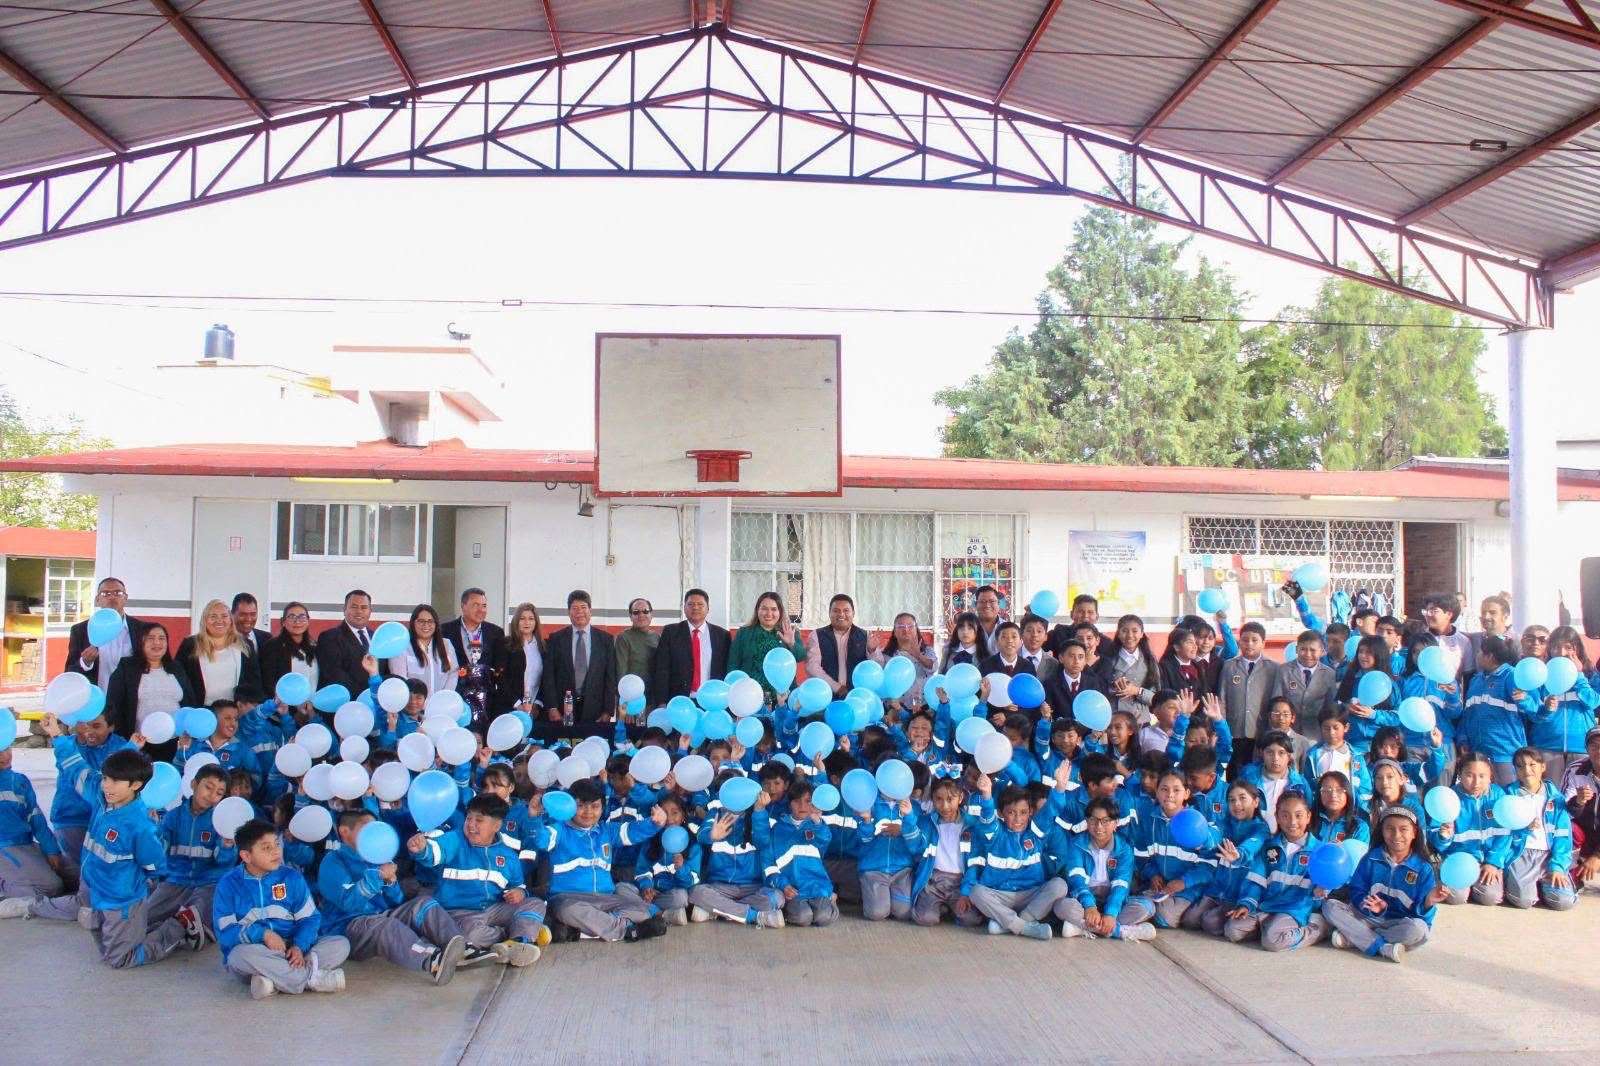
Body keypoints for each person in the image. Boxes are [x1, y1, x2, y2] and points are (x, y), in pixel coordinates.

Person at [19, 717, 209, 964]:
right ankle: (139, 927)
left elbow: (155, 865)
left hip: (122, 899)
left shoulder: (140, 825)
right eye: (106, 778)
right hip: (95, 889)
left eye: (115, 782)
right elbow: (76, 767)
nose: (107, 786)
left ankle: (180, 927)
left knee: (121, 958)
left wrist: (136, 887)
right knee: (104, 946)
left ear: (136, 785)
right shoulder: (100, 795)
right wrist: (56, 734)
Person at [318, 809, 466, 984]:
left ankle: (460, 948)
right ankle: (433, 960)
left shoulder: (376, 857)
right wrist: (379, 877)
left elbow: (397, 901)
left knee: (423, 904)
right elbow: (348, 902)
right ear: (345, 832)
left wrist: (391, 883)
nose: (375, 833)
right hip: (349, 926)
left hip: (382, 915)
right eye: (367, 828)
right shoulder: (332, 861)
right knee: (386, 926)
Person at [214, 819, 349, 997]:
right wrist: (264, 934)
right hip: (257, 952)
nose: (276, 851)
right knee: (238, 956)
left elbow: (309, 919)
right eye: (266, 848)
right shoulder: (228, 884)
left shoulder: (291, 877)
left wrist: (299, 947)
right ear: (246, 856)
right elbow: (225, 932)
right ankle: (310, 978)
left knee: (341, 944)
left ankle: (273, 980)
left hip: (293, 950)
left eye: (277, 844)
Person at [409, 794, 547, 964]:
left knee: (535, 904)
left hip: (494, 909)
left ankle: (518, 942)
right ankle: (515, 935)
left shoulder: (508, 856)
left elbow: (519, 886)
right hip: (460, 913)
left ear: (496, 825)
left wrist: (519, 892)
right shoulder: (455, 840)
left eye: (479, 820)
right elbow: (435, 851)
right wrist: (423, 849)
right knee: (470, 937)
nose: (471, 825)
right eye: (469, 818)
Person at [531, 778, 667, 941]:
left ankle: (580, 931)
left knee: (641, 910)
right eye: (581, 806)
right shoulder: (559, 830)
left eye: (595, 806)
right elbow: (541, 840)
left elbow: (632, 831)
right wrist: (534, 818)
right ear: (569, 807)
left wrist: (655, 823)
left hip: (606, 898)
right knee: (567, 910)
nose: (588, 812)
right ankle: (628, 931)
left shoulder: (606, 831)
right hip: (568, 898)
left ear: (603, 808)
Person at [1323, 806, 1446, 962]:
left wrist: (1428, 902)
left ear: (1414, 832)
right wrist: (1371, 906)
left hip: (1399, 923)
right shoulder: (1370, 858)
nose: (1396, 835)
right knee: (1329, 907)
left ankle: (1356, 938)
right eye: (1389, 828)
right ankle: (1382, 947)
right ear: (1382, 831)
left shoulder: (1423, 868)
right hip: (1368, 918)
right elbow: (1356, 890)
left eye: (1403, 829)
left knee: (1418, 930)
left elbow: (1423, 919)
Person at [1223, 791, 1327, 951]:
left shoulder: (1320, 851)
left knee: (1272, 942)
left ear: (1308, 817)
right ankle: (1270, 929)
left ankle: (1316, 929)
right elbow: (1256, 880)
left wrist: (1320, 892)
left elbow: (1324, 885)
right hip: (1268, 906)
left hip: (1295, 909)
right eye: (1285, 815)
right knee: (1232, 930)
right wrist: (1247, 904)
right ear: (1277, 817)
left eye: (1298, 815)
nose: (1292, 822)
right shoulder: (1269, 847)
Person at [962, 784, 1068, 940]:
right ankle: (1025, 928)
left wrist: (1059, 788)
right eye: (1011, 813)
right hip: (1000, 895)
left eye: (1023, 812)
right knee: (976, 892)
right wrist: (987, 796)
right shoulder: (994, 833)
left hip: (1031, 894)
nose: (1018, 819)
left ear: (1030, 812)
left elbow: (1050, 811)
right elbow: (987, 821)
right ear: (1001, 813)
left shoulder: (1036, 832)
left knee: (1059, 885)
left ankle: (1014, 923)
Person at [1052, 795, 1156, 941]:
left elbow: (1121, 884)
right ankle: (1120, 931)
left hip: (1113, 898)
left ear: (1116, 823)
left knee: (1147, 906)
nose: (1099, 826)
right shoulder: (1076, 845)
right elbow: (1076, 880)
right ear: (1087, 821)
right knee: (1061, 906)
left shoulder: (1124, 849)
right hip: (1084, 897)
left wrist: (1111, 913)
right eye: (1093, 820)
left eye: (1105, 821)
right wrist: (1089, 906)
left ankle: (1081, 927)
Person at [1497, 748, 1578, 911]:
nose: (1526, 770)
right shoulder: (1507, 797)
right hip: (1521, 854)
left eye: (1532, 764)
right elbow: (1502, 833)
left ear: (1543, 767)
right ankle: (1526, 886)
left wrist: (1558, 866)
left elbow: (1563, 837)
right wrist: (1523, 830)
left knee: (1564, 902)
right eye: (1520, 766)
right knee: (1523, 901)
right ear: (1515, 770)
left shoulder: (1556, 799)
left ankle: (1543, 885)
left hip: (1549, 856)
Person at [910, 776, 992, 928]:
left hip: (960, 882)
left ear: (960, 798)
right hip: (933, 881)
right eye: (938, 799)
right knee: (925, 919)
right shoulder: (926, 822)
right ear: (932, 799)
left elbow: (974, 863)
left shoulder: (971, 825)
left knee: (971, 920)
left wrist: (966, 893)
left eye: (950, 799)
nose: (945, 806)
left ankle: (948, 907)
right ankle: (940, 906)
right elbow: (915, 847)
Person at [760, 778, 838, 927]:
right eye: (796, 801)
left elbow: (824, 839)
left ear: (814, 804)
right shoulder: (778, 829)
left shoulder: (817, 826)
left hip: (817, 887)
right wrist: (783, 885)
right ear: (790, 804)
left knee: (823, 918)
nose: (802, 806)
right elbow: (769, 865)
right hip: (793, 890)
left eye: (808, 801)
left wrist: (817, 822)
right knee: (803, 918)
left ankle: (831, 899)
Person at [1460, 636, 1536, 785]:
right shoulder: (1475, 680)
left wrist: (1525, 700)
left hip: (1505, 755)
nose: (1477, 655)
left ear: (1490, 656)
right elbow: (1467, 714)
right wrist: (1462, 739)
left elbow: (1535, 710)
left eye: (1480, 652)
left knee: (1507, 796)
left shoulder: (1513, 676)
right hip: (1478, 755)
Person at [105, 622, 199, 744]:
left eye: (162, 638)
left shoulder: (176, 667)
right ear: (141, 642)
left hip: (176, 741)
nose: (157, 642)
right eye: (150, 638)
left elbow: (190, 701)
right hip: (140, 742)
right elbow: (114, 704)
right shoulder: (126, 667)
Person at [0, 743, 68, 907]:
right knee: (45, 889)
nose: (5, 755)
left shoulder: (20, 781)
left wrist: (51, 850)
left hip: (25, 844)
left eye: (7, 748)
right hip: (4, 847)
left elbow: (36, 818)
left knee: (62, 881)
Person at [1530, 626, 1598, 781]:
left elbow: (1594, 702)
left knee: (1580, 793)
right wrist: (1546, 708)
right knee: (1552, 791)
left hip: (1580, 746)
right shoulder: (1542, 674)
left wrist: (1579, 675)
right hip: (1548, 745)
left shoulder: (1589, 674)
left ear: (1578, 648)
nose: (1561, 653)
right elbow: (1533, 712)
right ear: (1550, 649)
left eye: (1568, 647)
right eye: (1556, 647)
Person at [541, 591, 619, 723]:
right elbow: (549, 676)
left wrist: (608, 711)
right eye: (575, 608)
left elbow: (610, 678)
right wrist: (552, 707)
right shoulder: (556, 639)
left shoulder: (605, 640)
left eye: (583, 607)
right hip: (563, 709)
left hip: (595, 711)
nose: (579, 612)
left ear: (590, 611)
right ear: (569, 612)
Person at [649, 588, 730, 706]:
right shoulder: (671, 632)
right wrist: (662, 701)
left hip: (712, 701)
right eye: (691, 604)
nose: (695, 608)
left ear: (708, 608)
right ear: (684, 608)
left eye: (700, 604)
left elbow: (726, 669)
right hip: (679, 700)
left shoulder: (722, 635)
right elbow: (662, 668)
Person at [176, 598, 262, 706]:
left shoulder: (245, 645)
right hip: (200, 711)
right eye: (213, 616)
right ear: (205, 620)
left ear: (230, 620)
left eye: (224, 616)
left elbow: (254, 682)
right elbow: (179, 679)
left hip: (234, 712)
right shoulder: (190, 645)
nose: (219, 620)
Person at [727, 591, 807, 707]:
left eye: (774, 609)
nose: (769, 613)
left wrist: (791, 643)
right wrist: (736, 692)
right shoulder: (744, 633)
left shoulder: (789, 631)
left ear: (780, 612)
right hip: (750, 698)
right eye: (764, 608)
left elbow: (801, 656)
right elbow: (733, 665)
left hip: (783, 698)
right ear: (757, 610)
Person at [65, 576, 144, 689]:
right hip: (97, 696)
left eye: (118, 593)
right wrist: (85, 663)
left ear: (125, 598)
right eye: (105, 593)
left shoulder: (141, 629)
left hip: (132, 697)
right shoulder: (80, 630)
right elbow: (70, 672)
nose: (112, 597)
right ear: (97, 599)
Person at [440, 587, 503, 727]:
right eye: (476, 605)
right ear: (463, 606)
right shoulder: (444, 631)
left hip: (485, 702)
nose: (481, 610)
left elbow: (498, 668)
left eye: (484, 606)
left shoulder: (496, 633)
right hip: (455, 698)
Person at [1216, 621, 1273, 773]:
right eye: (1245, 640)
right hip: (1234, 731)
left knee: (1257, 771)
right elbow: (1222, 699)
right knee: (1234, 771)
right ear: (1239, 642)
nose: (1249, 644)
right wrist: (1222, 728)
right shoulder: (1229, 666)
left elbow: (1276, 700)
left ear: (1263, 643)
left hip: (1261, 731)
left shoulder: (1273, 668)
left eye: (1255, 640)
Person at [805, 593, 876, 698]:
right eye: (836, 611)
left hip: (857, 697)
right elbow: (812, 667)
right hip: (825, 696)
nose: (841, 614)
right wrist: (836, 687)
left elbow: (877, 668)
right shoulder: (816, 635)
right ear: (829, 613)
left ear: (853, 613)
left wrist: (872, 651)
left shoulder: (866, 636)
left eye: (846, 610)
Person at [1092, 614, 1158, 724]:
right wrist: (1114, 687)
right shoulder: (1106, 658)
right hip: (1113, 719)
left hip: (1140, 720)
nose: (1129, 635)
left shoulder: (1149, 660)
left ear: (1142, 634)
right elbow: (1097, 690)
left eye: (1135, 631)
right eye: (1124, 631)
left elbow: (1157, 697)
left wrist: (1137, 691)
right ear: (1118, 633)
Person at [315, 589, 379, 698]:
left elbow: (383, 672)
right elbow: (335, 675)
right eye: (354, 607)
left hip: (377, 703)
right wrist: (366, 697)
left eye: (364, 607)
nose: (359, 611)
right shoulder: (329, 637)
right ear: (344, 609)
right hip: (347, 703)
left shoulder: (378, 638)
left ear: (370, 611)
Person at [1271, 630, 1337, 736]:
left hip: (1316, 732)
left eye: (1313, 650)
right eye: (1303, 649)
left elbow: (1331, 707)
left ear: (1322, 651)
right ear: (1296, 649)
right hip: (1287, 731)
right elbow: (1276, 702)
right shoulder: (1283, 670)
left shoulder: (1329, 674)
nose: (1308, 654)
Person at [386, 604, 459, 696]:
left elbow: (453, 673)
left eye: (430, 621)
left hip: (441, 702)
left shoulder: (446, 644)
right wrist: (420, 701)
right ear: (413, 623)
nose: (426, 625)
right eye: (421, 621)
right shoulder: (401, 646)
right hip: (413, 702)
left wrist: (444, 697)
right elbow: (400, 680)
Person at [880, 612, 937, 712]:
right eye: (901, 626)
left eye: (910, 626)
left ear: (916, 629)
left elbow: (933, 667)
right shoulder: (886, 655)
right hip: (895, 709)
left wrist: (919, 656)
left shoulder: (927, 651)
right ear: (894, 632)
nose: (906, 630)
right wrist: (871, 650)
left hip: (922, 708)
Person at [496, 602, 545, 716]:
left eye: (531, 619)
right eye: (522, 618)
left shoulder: (544, 647)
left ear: (536, 622)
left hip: (536, 710)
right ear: (516, 621)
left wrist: (537, 704)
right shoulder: (505, 644)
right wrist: (517, 705)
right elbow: (500, 677)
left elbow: (546, 680)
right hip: (511, 708)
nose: (527, 622)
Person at [259, 602, 317, 698]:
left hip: (312, 704)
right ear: (283, 622)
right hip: (284, 704)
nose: (297, 621)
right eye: (291, 617)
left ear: (308, 621)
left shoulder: (314, 646)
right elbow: (268, 682)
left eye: (302, 617)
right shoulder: (272, 646)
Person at [974, 585, 1005, 656]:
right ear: (976, 604)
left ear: (998, 604)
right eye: (982, 601)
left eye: (992, 601)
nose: (987, 605)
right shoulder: (967, 628)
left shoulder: (1007, 627)